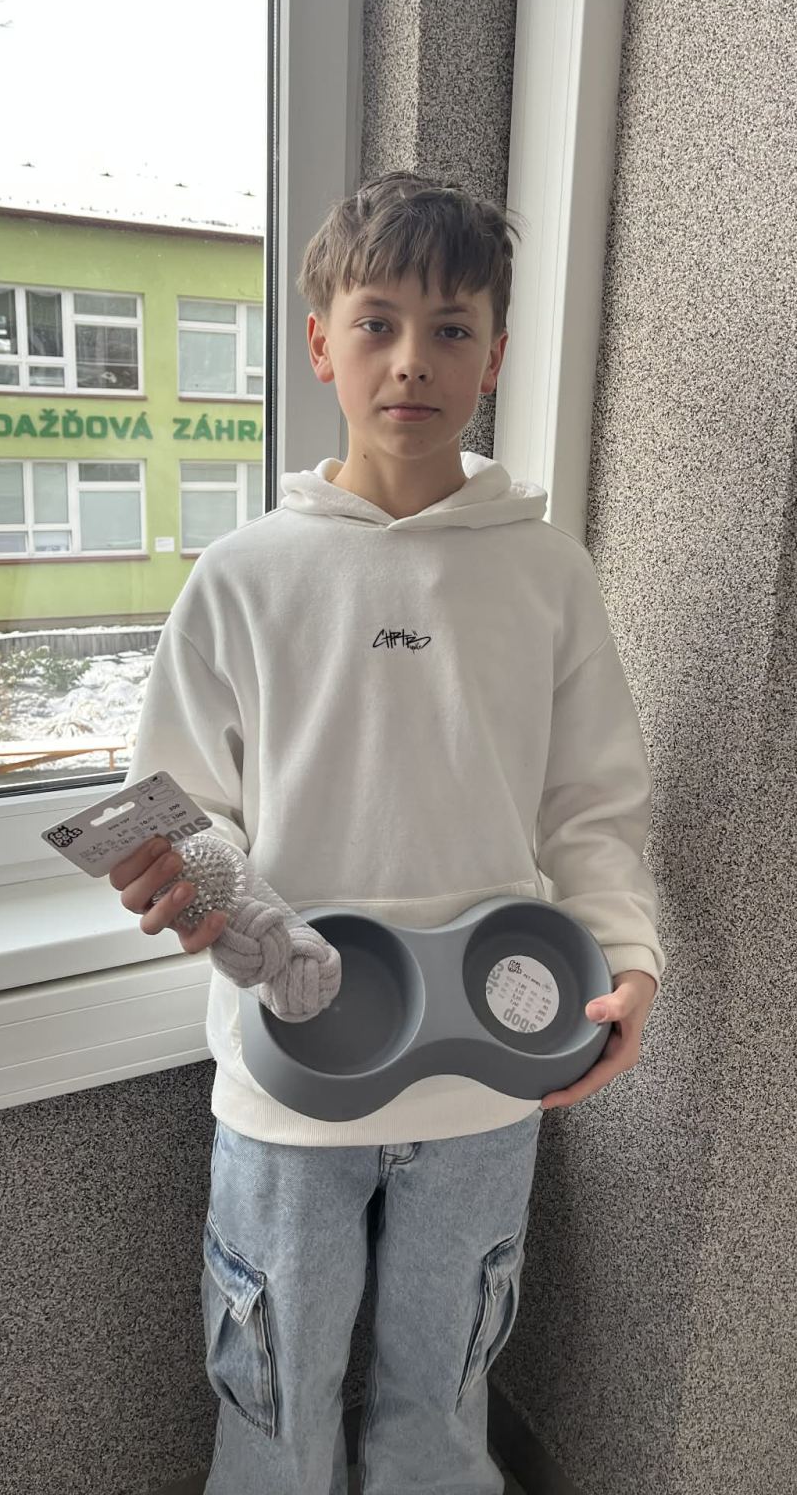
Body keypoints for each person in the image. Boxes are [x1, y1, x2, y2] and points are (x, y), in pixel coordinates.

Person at [110, 170, 668, 1495]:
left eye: (452, 327)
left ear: (495, 355)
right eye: (377, 323)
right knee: (273, 1399)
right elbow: (178, 807)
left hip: (494, 1071)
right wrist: (190, 884)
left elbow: (590, 800)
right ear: (320, 343)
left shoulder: (547, 574)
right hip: (289, 1076)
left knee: (446, 1392)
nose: (413, 359)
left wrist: (629, 955)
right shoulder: (245, 575)